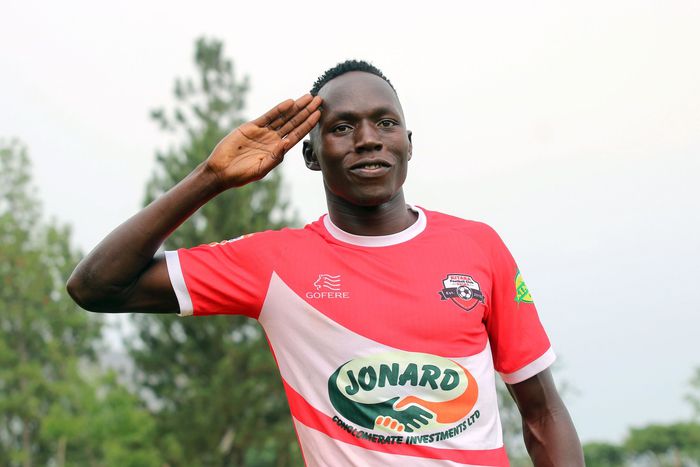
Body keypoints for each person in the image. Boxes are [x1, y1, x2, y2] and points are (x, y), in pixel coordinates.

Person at [68, 60, 584, 466]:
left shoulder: (478, 247)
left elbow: (542, 414)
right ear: (311, 154)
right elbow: (97, 287)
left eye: (386, 122)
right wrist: (211, 177)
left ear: (409, 144)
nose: (368, 138)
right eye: (342, 127)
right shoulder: (272, 263)